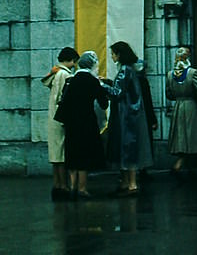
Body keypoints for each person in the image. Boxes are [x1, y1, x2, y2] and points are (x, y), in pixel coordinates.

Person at [103, 40, 153, 195]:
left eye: (113, 53)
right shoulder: (130, 69)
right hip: (130, 113)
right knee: (126, 148)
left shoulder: (125, 70)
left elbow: (117, 92)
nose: (111, 56)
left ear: (119, 54)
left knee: (127, 148)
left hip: (126, 115)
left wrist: (101, 85)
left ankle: (131, 183)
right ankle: (127, 182)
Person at [60, 50, 111, 199]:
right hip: (86, 121)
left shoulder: (71, 80)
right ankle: (82, 188)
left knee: (72, 154)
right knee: (84, 156)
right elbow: (103, 103)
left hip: (71, 122)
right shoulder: (92, 81)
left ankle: (72, 186)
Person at [42, 46, 79, 201]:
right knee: (62, 155)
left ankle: (57, 183)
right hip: (61, 118)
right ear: (70, 60)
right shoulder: (64, 75)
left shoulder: (55, 72)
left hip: (52, 118)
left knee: (55, 155)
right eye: (74, 62)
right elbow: (62, 98)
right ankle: (64, 185)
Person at [166, 46, 197, 176]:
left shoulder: (170, 74)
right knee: (190, 135)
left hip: (178, 105)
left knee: (181, 135)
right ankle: (182, 163)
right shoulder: (192, 72)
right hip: (190, 105)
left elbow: (169, 94)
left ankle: (186, 166)